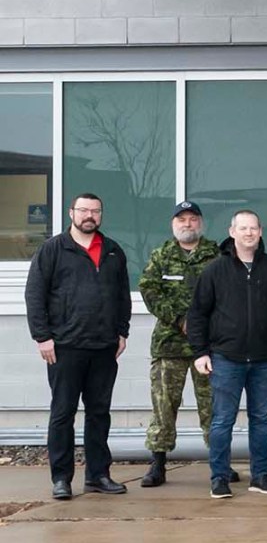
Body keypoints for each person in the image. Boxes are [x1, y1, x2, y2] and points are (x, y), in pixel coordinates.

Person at [25, 193, 131, 500]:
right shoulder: (53, 250)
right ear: (71, 212)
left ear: (101, 215)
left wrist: (122, 331)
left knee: (99, 412)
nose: (89, 216)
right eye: (84, 210)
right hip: (64, 347)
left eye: (95, 211)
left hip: (104, 348)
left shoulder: (112, 251)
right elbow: (35, 295)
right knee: (63, 413)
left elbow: (123, 294)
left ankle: (98, 475)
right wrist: (42, 336)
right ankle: (61, 478)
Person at [188, 210, 267, 499]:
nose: (248, 233)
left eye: (253, 228)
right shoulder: (215, 270)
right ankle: (219, 478)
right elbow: (198, 313)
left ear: (261, 232)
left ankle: (261, 476)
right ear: (232, 231)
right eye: (243, 228)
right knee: (223, 419)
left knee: (261, 418)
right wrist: (200, 352)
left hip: (266, 359)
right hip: (226, 358)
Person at [138, 201, 219, 488]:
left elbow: (225, 293)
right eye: (182, 219)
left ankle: (218, 464)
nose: (188, 224)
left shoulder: (216, 255)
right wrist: (179, 319)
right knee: (163, 405)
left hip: (208, 345)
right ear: (174, 225)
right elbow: (149, 290)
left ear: (201, 224)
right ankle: (157, 464)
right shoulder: (162, 255)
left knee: (213, 406)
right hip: (169, 343)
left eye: (193, 219)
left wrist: (201, 324)